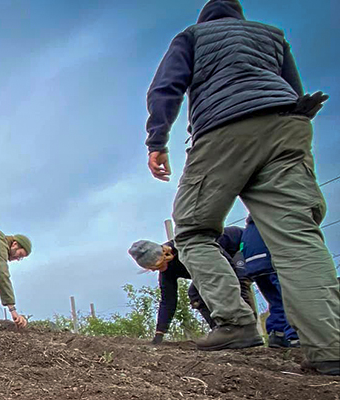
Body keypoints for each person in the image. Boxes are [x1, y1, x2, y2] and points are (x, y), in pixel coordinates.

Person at [145, 0, 339, 374]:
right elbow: (293, 90)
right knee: (297, 237)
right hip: (288, 127)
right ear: (239, 16)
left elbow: (165, 88)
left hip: (224, 129)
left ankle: (235, 323)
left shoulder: (192, 36)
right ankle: (330, 347)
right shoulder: (272, 36)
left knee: (193, 231)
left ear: (205, 19)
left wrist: (157, 142)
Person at [129, 228, 255, 345]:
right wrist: (159, 334)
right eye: (151, 268)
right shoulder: (167, 271)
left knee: (239, 280)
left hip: (242, 246)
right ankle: (224, 332)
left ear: (163, 255)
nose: (154, 270)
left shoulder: (187, 246)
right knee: (195, 295)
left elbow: (226, 264)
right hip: (218, 264)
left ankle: (249, 330)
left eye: (156, 266)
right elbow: (168, 301)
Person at [237, 217, 299, 348]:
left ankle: (277, 333)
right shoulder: (273, 218)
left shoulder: (250, 226)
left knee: (275, 300)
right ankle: (295, 337)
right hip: (272, 259)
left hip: (253, 263)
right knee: (290, 298)